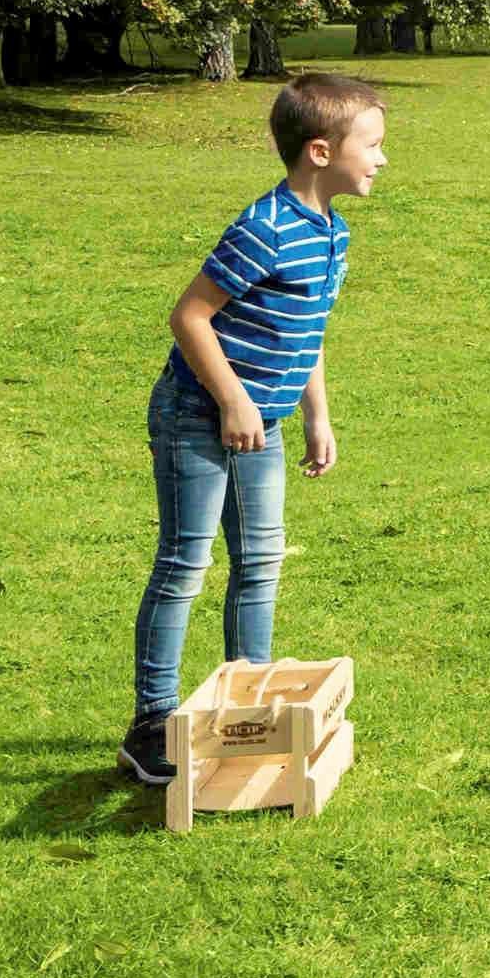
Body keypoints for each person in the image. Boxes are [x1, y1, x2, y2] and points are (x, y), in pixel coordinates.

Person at [119, 72, 386, 786]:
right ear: (321, 152)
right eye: (374, 145)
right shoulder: (264, 227)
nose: (383, 159)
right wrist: (235, 401)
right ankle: (150, 722)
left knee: (260, 564)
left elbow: (307, 332)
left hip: (261, 422)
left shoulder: (332, 232)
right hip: (198, 417)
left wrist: (316, 414)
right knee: (185, 567)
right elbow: (190, 316)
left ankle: (250, 702)